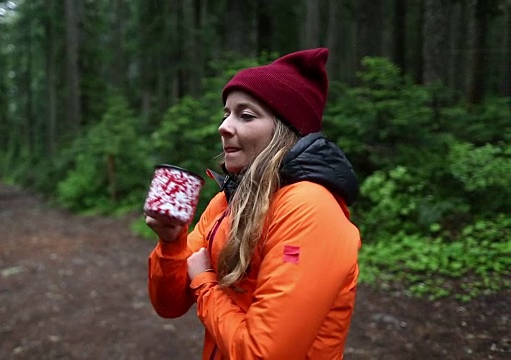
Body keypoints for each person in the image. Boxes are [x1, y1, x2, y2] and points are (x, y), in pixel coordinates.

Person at [145, 48, 361, 360]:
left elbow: (264, 355)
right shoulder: (228, 202)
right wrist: (172, 243)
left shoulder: (310, 208)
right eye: (226, 113)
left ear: (286, 131)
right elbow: (169, 305)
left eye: (246, 115)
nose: (224, 126)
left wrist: (205, 282)